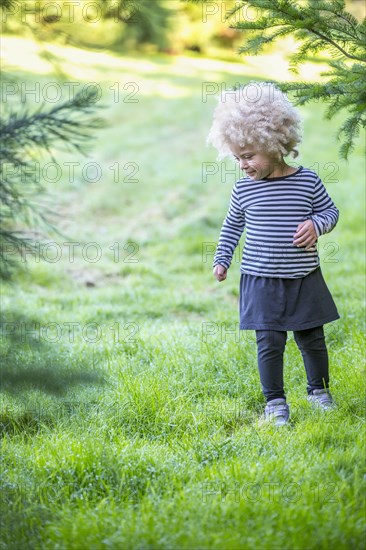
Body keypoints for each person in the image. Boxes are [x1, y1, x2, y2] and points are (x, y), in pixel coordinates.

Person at [207, 82, 340, 426]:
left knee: (312, 339)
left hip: (303, 277)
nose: (242, 165)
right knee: (269, 342)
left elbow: (330, 212)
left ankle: (319, 392)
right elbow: (232, 226)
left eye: (248, 156)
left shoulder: (307, 182)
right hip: (260, 279)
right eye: (236, 157)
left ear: (274, 142)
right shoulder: (244, 189)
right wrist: (222, 258)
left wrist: (316, 224)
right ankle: (276, 402)